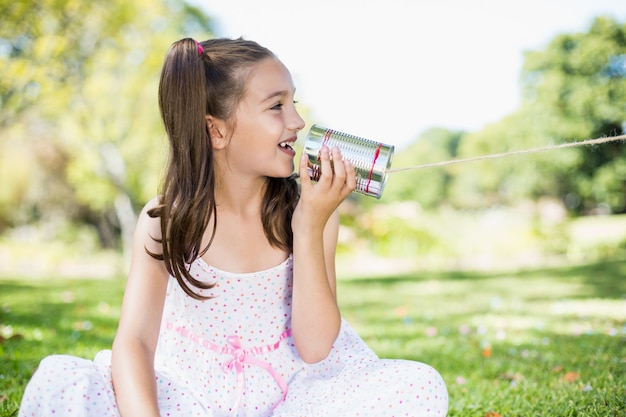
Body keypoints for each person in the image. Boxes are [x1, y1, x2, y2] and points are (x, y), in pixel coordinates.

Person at [18, 37, 448, 417]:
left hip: (294, 399)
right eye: (276, 106)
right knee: (61, 381)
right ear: (216, 131)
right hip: (189, 398)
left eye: (293, 103)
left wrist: (310, 226)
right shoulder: (167, 222)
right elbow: (135, 344)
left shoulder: (310, 212)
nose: (297, 122)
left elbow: (316, 347)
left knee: (418, 385)